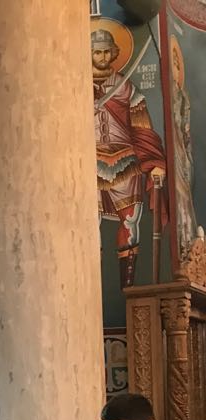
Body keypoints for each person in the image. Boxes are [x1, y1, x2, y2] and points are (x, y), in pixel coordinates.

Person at [92, 28, 168, 289]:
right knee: (88, 223)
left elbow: (142, 128)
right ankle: (89, 292)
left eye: (105, 52)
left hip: (125, 162)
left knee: (130, 222)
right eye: (96, 52)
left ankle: (129, 292)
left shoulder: (126, 89)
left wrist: (155, 162)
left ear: (113, 54)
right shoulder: (73, 89)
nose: (101, 57)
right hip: (87, 164)